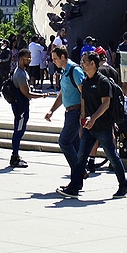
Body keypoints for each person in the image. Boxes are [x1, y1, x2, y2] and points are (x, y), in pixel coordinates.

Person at [58, 52, 127, 199]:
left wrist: (93, 118)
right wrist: (83, 117)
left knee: (113, 157)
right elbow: (83, 100)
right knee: (80, 158)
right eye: (82, 61)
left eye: (85, 62)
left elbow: (106, 103)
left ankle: (124, 185)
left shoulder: (102, 82)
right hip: (88, 128)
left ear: (93, 64)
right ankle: (75, 187)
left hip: (102, 127)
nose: (82, 64)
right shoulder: (85, 82)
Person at [45, 45, 84, 174]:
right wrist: (51, 111)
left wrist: (83, 114)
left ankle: (78, 173)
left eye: (55, 59)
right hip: (69, 112)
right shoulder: (64, 71)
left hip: (76, 112)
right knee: (75, 145)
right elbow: (62, 94)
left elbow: (85, 94)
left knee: (64, 141)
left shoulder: (75, 70)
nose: (53, 61)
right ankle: (79, 174)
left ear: (63, 57)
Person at [9, 48, 44, 169]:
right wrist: (42, 96)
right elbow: (27, 93)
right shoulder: (20, 74)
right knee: (18, 131)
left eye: (30, 58)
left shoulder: (22, 72)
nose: (29, 60)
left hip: (22, 106)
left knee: (20, 130)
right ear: (20, 59)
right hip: (21, 107)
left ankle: (16, 155)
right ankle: (14, 156)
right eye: (27, 58)